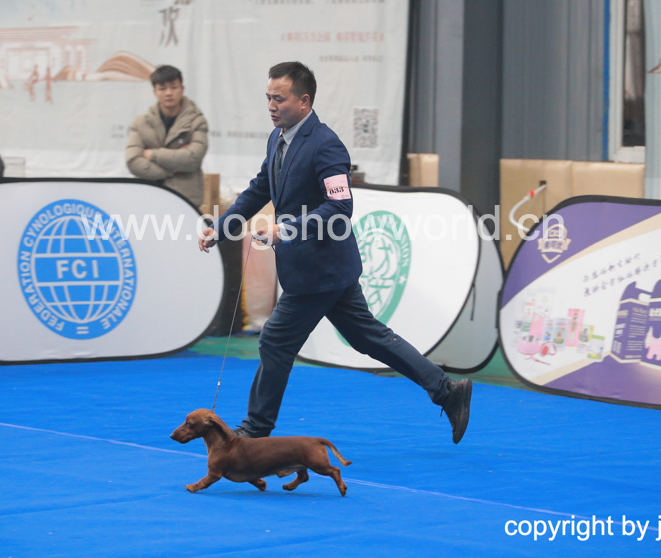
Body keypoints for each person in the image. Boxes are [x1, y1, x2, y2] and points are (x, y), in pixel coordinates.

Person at [199, 62, 473, 443]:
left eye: (279, 99)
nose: (272, 106)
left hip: (319, 271)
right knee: (369, 337)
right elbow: (260, 188)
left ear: (304, 101)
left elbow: (340, 208)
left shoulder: (326, 144)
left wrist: (285, 229)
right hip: (324, 270)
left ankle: (255, 433)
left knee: (275, 340)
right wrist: (221, 228)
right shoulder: (277, 139)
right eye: (268, 98)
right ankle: (447, 391)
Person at [126, 65, 209, 208]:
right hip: (148, 198)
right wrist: (174, 168)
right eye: (162, 88)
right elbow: (133, 161)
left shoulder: (197, 121)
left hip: (185, 200)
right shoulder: (140, 123)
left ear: (182, 89)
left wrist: (153, 155)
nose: (169, 93)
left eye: (174, 87)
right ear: (155, 92)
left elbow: (193, 159)